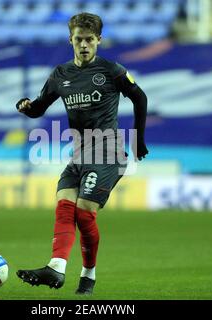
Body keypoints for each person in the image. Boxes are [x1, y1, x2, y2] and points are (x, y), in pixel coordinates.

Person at [15, 12, 148, 295]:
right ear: (71, 40)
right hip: (79, 154)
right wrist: (26, 106)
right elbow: (39, 107)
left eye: (89, 39)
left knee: (84, 212)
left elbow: (140, 97)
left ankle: (88, 276)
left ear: (98, 40)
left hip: (109, 152)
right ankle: (57, 268)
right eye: (79, 40)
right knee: (64, 203)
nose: (84, 45)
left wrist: (138, 140)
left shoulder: (112, 71)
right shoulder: (60, 75)